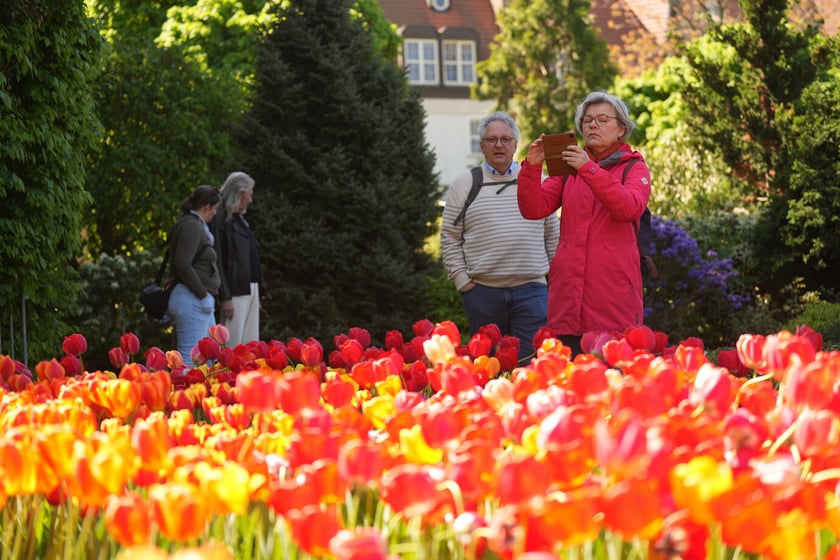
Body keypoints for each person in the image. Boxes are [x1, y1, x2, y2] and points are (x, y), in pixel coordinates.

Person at [517, 91, 652, 357]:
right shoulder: (570, 167)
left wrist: (589, 169)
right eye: (588, 120)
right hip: (567, 296)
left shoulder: (633, 167)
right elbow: (533, 209)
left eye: (602, 120)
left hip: (612, 298)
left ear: (621, 128)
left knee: (611, 382)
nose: (593, 125)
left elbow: (628, 207)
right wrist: (532, 167)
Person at [440, 111, 560, 364]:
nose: (499, 145)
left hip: (532, 291)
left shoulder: (539, 181)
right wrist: (464, 282)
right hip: (482, 293)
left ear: (516, 144)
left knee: (531, 365)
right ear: (481, 145)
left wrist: (555, 280)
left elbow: (553, 234)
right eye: (491, 139)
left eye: (505, 139)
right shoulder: (464, 184)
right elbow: (450, 237)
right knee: (487, 368)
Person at [167, 185, 222, 365]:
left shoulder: (194, 225)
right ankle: (183, 393)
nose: (215, 214)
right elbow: (182, 263)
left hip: (196, 299)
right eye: (214, 209)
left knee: (207, 357)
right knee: (192, 356)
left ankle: (201, 392)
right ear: (206, 207)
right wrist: (201, 293)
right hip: (191, 298)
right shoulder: (192, 225)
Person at [211, 171, 262, 347]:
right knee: (232, 345)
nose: (250, 200)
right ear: (239, 193)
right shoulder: (220, 219)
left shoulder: (239, 220)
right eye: (249, 195)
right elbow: (217, 259)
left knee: (250, 344)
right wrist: (225, 296)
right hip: (235, 292)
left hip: (249, 288)